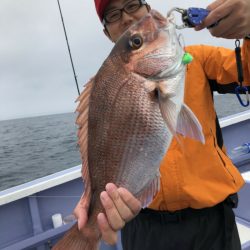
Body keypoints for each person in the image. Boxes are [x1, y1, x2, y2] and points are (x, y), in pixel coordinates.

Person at [74, 0, 250, 249]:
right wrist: (90, 197)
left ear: (147, 8)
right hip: (143, 225)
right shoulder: (105, 93)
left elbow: (247, 68)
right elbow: (99, 155)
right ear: (107, 33)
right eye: (113, 15)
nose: (126, 18)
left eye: (132, 4)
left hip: (211, 220)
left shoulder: (198, 58)